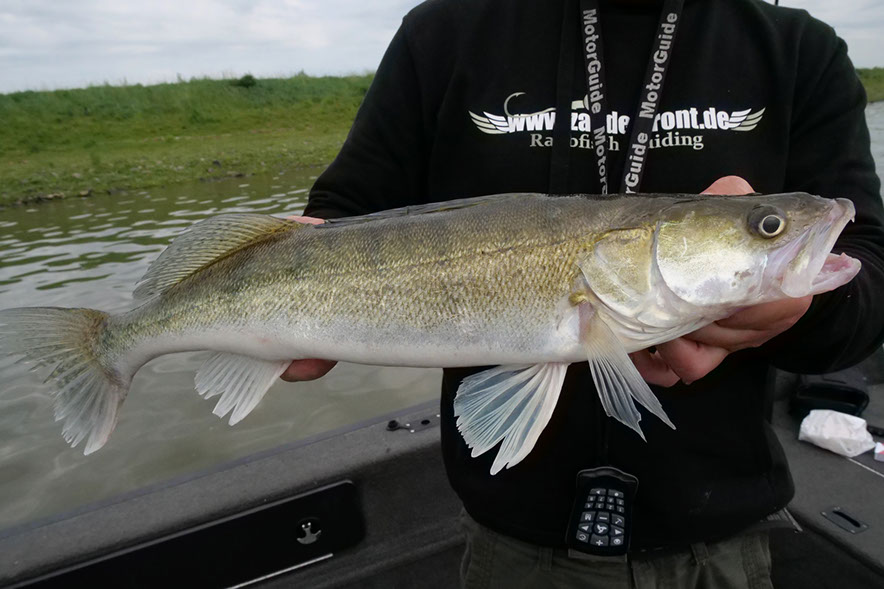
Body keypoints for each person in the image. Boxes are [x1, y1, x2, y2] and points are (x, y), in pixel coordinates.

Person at [282, 0, 884, 586]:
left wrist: (800, 313)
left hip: (721, 541)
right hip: (510, 544)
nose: (778, 233)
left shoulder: (797, 49)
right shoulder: (441, 33)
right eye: (768, 225)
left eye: (765, 226)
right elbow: (343, 216)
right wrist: (277, 279)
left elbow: (869, 270)